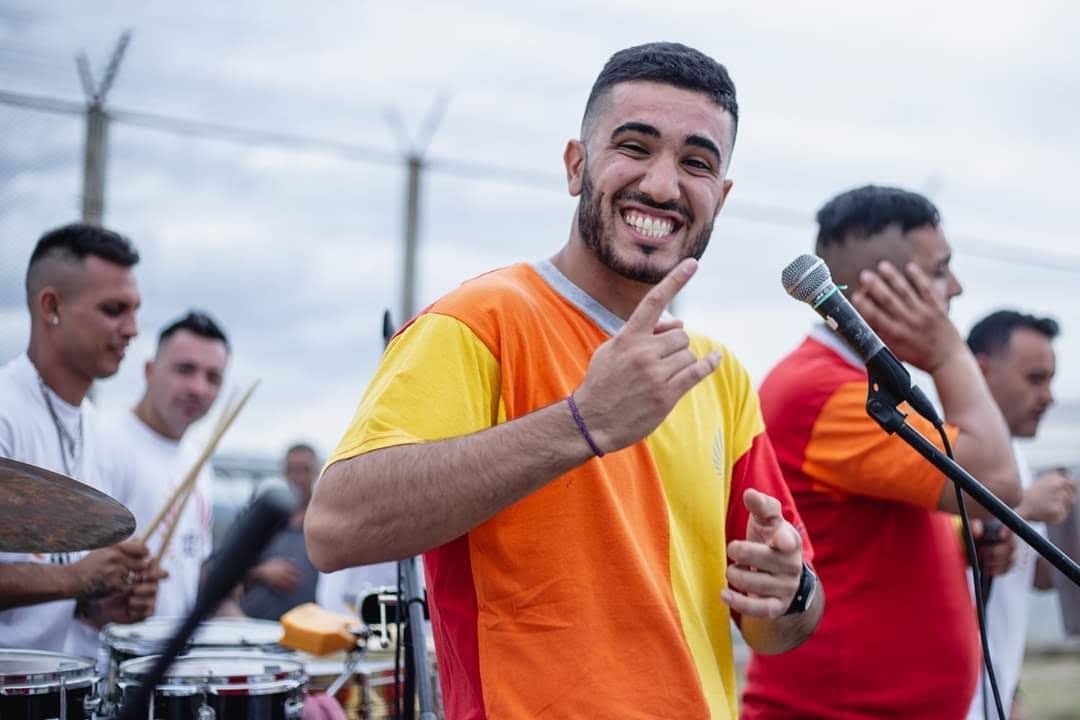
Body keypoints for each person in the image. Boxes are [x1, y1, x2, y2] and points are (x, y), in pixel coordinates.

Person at [307, 42, 823, 719]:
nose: (664, 186)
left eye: (696, 163)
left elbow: (780, 628)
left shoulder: (717, 375)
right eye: (634, 147)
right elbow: (337, 527)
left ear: (720, 197)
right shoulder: (478, 321)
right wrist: (582, 422)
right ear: (576, 166)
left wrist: (788, 592)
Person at [742, 185, 1023, 719]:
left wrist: (966, 542)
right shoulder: (822, 391)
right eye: (941, 271)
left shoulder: (859, 385)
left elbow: (873, 527)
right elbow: (997, 482)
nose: (956, 290)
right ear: (880, 288)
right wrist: (947, 351)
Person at [0, 222, 164, 658]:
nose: (132, 329)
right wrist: (75, 578)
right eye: (114, 309)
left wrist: (100, 606)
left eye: (135, 310)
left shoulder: (98, 429)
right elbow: (65, 574)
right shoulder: (4, 410)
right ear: (51, 306)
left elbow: (50, 590)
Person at [965, 310, 1075, 720]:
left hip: (990, 700)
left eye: (1049, 380)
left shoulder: (1015, 460)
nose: (1048, 395)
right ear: (981, 369)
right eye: (1034, 379)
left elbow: (1033, 576)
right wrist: (1026, 506)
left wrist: (1011, 695)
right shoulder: (941, 446)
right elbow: (939, 545)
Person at [104, 310, 230, 620]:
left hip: (171, 661)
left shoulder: (198, 459)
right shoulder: (102, 440)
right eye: (185, 370)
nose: (199, 388)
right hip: (105, 660)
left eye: (213, 377)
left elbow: (192, 572)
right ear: (149, 370)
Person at [237, 443, 321, 620]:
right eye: (292, 470)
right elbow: (221, 568)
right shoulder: (261, 519)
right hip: (256, 626)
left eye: (304, 470)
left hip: (310, 630)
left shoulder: (326, 521)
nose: (298, 477)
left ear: (317, 472)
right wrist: (262, 571)